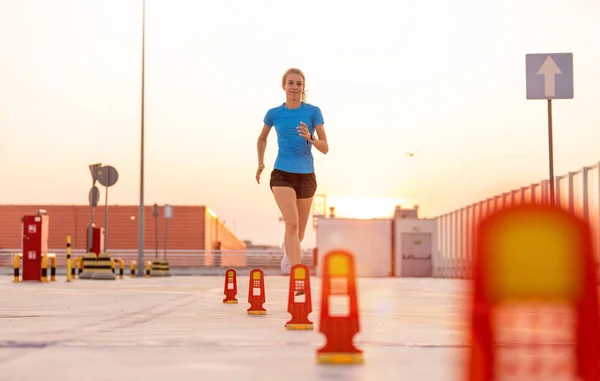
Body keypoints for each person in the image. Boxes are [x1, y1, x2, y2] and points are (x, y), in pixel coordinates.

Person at [255, 67, 329, 277]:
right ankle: (298, 276)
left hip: (306, 175)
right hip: (282, 175)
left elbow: (325, 147)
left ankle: (288, 251)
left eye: (299, 84)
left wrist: (310, 137)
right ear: (284, 86)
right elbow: (262, 138)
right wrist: (260, 162)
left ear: (303, 87)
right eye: (291, 83)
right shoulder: (274, 114)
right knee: (292, 223)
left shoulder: (313, 112)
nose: (294, 87)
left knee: (300, 233)